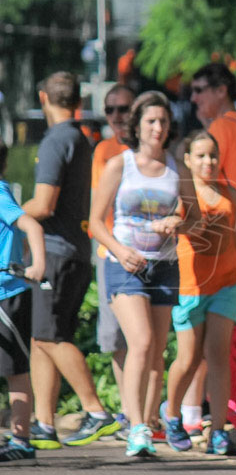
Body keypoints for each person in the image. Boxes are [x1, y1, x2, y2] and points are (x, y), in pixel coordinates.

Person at [23, 72, 118, 449]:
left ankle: (96, 412)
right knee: (40, 339)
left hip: (57, 254)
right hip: (74, 251)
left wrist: (10, 215)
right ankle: (44, 426)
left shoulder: (55, 140)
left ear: (44, 97)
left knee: (51, 336)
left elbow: (43, 204)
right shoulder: (80, 138)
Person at [89, 91, 182, 457]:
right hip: (125, 265)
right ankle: (136, 425)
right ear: (137, 126)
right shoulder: (119, 164)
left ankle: (144, 426)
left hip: (165, 266)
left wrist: (178, 219)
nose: (158, 128)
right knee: (140, 342)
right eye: (150, 121)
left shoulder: (177, 167)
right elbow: (95, 222)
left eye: (163, 121)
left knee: (157, 350)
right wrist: (120, 250)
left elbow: (192, 214)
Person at [186, 63, 236, 431]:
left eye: (200, 89)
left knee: (215, 338)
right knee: (232, 331)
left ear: (221, 90)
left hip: (221, 244)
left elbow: (214, 189)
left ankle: (223, 406)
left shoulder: (219, 129)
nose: (194, 97)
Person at [160, 130, 236, 455]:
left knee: (219, 355)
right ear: (187, 160)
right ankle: (172, 416)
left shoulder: (230, 192)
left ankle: (219, 431)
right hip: (190, 287)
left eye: (212, 155)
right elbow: (172, 225)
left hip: (227, 284)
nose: (208, 162)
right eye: (200, 156)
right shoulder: (182, 194)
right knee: (189, 358)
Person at [0, 140, 47, 462]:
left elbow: (30, 225)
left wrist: (37, 265)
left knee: (15, 369)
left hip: (7, 295)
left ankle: (21, 440)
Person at [91, 84, 134, 435]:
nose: (117, 117)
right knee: (116, 338)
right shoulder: (105, 150)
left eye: (124, 109)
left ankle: (144, 414)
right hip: (110, 251)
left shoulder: (155, 151)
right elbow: (100, 206)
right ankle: (127, 413)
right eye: (111, 110)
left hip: (147, 253)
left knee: (147, 339)